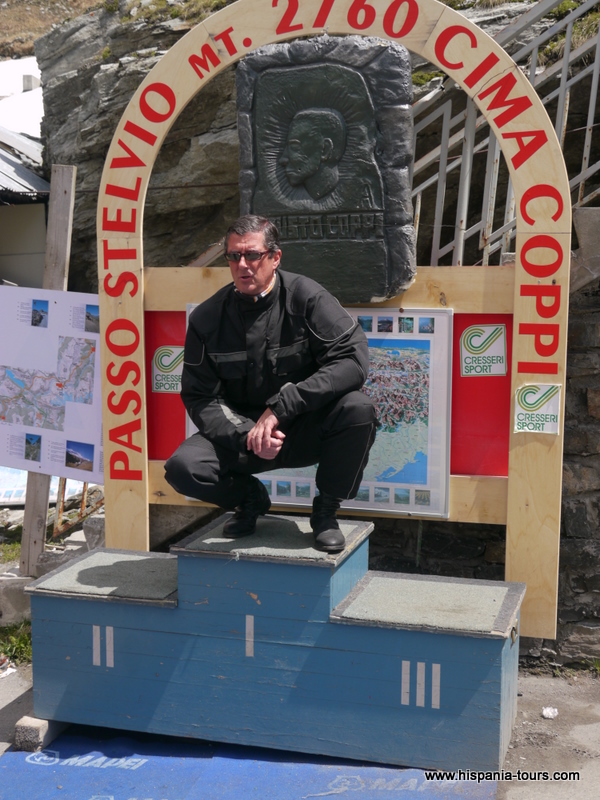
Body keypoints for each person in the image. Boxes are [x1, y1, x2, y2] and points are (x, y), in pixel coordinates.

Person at [164, 215, 376, 552]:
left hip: (303, 427)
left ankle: (326, 512)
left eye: (252, 255)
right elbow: (200, 397)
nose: (242, 265)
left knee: (359, 410)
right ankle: (249, 500)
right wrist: (248, 434)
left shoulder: (307, 298)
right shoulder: (206, 319)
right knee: (183, 468)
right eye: (234, 256)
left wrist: (283, 406)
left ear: (275, 257)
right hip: (243, 438)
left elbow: (353, 361)